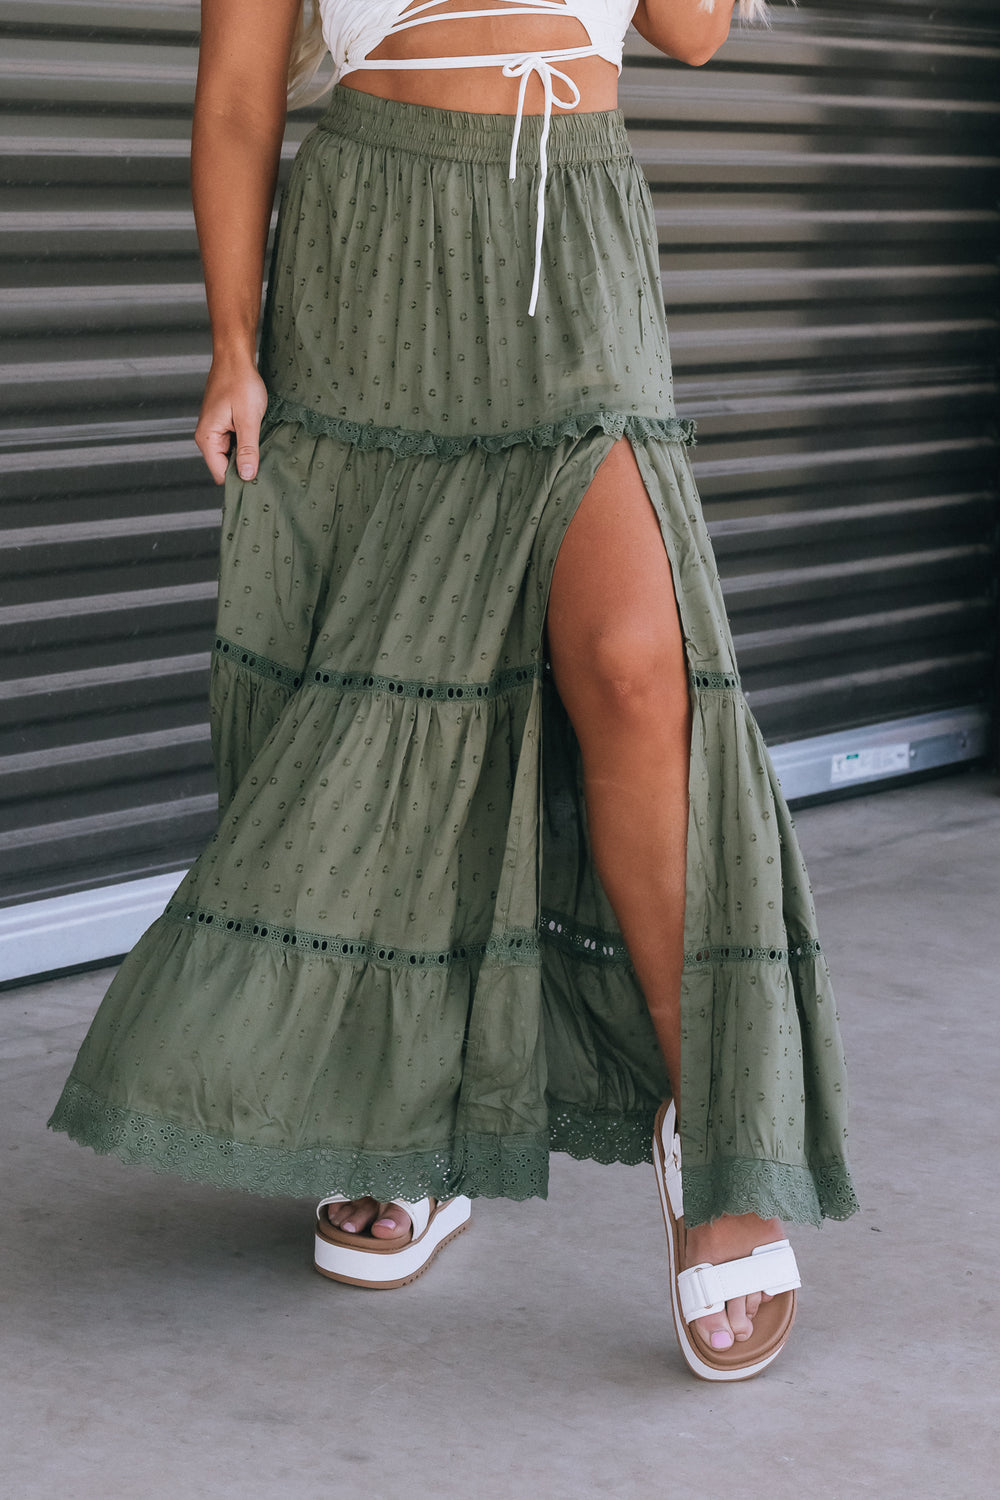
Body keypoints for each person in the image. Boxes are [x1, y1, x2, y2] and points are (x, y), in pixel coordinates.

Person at [49, 0, 859, 1381]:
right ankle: (402, 1121)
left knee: (634, 666)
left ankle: (715, 1137)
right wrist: (234, 345)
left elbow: (694, 31)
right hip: (375, 251)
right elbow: (239, 99)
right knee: (390, 678)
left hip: (573, 226)